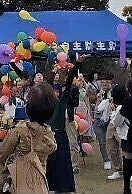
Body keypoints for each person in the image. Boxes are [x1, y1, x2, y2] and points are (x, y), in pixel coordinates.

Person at [0, 82, 58, 194]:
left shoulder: (19, 131)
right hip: (38, 183)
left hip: (17, 182)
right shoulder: (49, 134)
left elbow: (1, 155)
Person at [45, 56, 84, 193]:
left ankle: (63, 187)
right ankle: (50, 186)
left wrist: (77, 64)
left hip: (60, 133)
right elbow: (48, 83)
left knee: (62, 161)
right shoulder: (47, 100)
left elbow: (68, 80)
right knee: (49, 161)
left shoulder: (64, 98)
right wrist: (54, 70)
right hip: (48, 133)